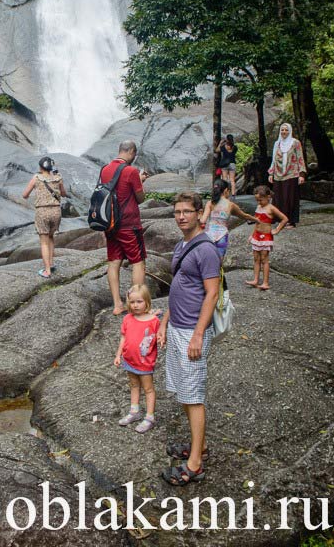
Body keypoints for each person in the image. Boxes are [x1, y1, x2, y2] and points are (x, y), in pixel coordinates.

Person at [158, 192, 220, 486]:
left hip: (192, 331)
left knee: (193, 397)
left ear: (199, 213)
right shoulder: (182, 244)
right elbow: (178, 287)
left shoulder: (206, 250)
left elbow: (212, 293)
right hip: (177, 327)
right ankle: (200, 445)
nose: (181, 216)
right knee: (184, 391)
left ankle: (194, 464)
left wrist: (197, 334)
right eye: (177, 212)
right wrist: (164, 323)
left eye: (186, 211)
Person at [100, 140, 148, 315]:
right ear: (131, 151)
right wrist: (140, 181)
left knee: (113, 263)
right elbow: (140, 198)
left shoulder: (104, 169)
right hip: (129, 223)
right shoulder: (131, 171)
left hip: (110, 224)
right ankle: (137, 305)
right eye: (134, 154)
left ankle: (117, 304)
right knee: (138, 262)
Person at [114, 284, 159, 434]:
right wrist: (118, 354)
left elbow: (159, 336)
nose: (135, 305)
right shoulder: (127, 318)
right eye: (132, 302)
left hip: (145, 362)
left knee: (148, 388)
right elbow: (123, 337)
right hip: (129, 360)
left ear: (147, 301)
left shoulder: (154, 321)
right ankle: (134, 411)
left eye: (139, 301)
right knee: (134, 385)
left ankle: (150, 417)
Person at [22, 156, 67, 278]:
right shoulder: (58, 178)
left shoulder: (36, 178)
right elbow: (64, 194)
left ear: (41, 167)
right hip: (56, 211)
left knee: (43, 242)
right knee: (51, 237)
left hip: (42, 211)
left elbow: (25, 195)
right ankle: (51, 263)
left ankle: (47, 270)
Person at [201, 179, 260, 260]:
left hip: (209, 235)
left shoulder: (210, 203)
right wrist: (257, 220)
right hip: (222, 236)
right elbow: (244, 216)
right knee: (219, 261)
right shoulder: (230, 205)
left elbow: (203, 220)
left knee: (207, 260)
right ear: (226, 190)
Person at [245, 185, 288, 290]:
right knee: (256, 258)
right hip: (257, 235)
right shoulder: (258, 207)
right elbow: (256, 222)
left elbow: (284, 219)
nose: (259, 202)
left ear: (268, 197)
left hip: (266, 237)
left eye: (261, 200)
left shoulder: (271, 208)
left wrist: (277, 229)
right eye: (257, 200)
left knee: (264, 259)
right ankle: (255, 280)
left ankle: (265, 282)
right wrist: (252, 235)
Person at [268, 123, 306, 228]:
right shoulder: (277, 144)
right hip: (278, 174)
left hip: (292, 174)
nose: (284, 132)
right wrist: (271, 173)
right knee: (278, 198)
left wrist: (301, 174)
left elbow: (300, 158)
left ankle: (291, 221)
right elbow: (273, 160)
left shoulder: (295, 143)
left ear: (290, 131)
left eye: (286, 130)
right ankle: (280, 219)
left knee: (290, 198)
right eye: (282, 130)